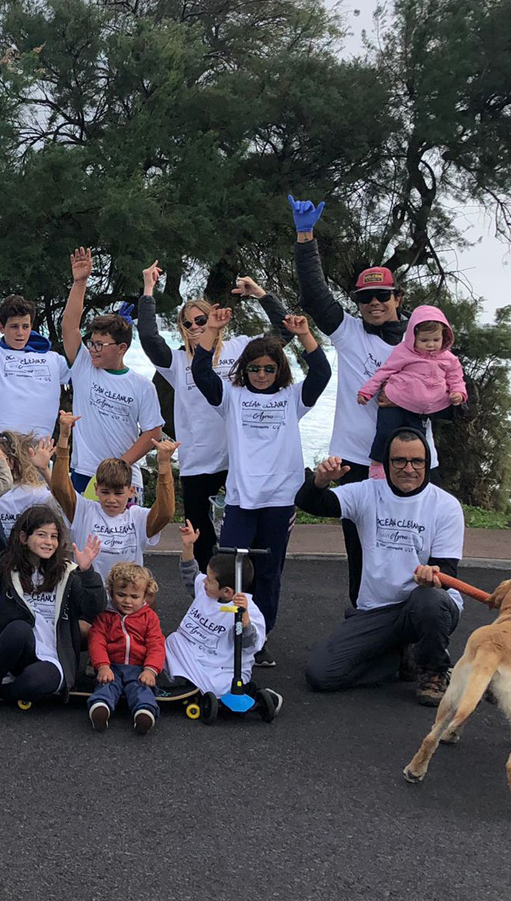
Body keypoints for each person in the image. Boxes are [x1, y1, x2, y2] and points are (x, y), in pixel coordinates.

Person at [290, 194, 440, 605]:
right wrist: (306, 237)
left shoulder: (424, 340)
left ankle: (411, 638)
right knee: (361, 551)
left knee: (414, 552)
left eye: (382, 296)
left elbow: (451, 397)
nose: (374, 303)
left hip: (411, 460)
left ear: (398, 298)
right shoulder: (349, 334)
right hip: (355, 462)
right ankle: (362, 624)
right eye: (365, 298)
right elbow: (315, 294)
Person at [192, 309, 331, 667]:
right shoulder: (232, 398)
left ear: (280, 370)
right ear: (245, 369)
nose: (262, 375)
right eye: (255, 368)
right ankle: (225, 630)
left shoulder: (292, 399)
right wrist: (213, 329)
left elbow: (322, 372)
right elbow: (201, 372)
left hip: (280, 500)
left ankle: (260, 636)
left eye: (269, 369)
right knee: (230, 569)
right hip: (240, 499)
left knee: (269, 573)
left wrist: (304, 334)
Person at [137, 260, 293, 569]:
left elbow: (284, 331)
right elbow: (148, 337)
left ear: (215, 319)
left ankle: (247, 592)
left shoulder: (240, 348)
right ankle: (206, 596)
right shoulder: (177, 362)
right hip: (199, 460)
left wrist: (260, 293)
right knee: (200, 537)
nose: (196, 327)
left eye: (201, 320)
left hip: (238, 457)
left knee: (247, 533)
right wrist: (148, 290)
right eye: (188, 323)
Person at [298, 429, 465, 706]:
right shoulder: (366, 492)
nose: (408, 469)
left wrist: (432, 576)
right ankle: (395, 657)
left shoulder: (445, 506)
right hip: (376, 610)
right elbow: (310, 503)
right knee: (321, 675)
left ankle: (434, 670)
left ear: (427, 463)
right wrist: (320, 481)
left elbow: (447, 574)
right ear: (386, 463)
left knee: (430, 599)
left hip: (423, 606)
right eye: (399, 460)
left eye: (417, 462)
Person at [0, 502, 104, 716]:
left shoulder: (69, 574)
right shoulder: (9, 568)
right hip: (21, 651)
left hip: (54, 656)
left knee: (36, 684)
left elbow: (95, 607)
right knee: (18, 628)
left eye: (53, 536)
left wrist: (87, 572)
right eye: (42, 535)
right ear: (24, 538)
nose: (49, 542)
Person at [61, 248, 164, 491]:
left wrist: (120, 465)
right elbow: (69, 326)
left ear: (121, 348)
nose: (94, 349)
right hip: (84, 472)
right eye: (92, 343)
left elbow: (154, 432)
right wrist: (80, 282)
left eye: (101, 344)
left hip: (124, 478)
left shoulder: (141, 385)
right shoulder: (84, 365)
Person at [0, 236, 70, 436]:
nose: (20, 333)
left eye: (25, 326)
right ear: (1, 327)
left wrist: (115, 330)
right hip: (0, 452)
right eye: (14, 326)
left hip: (38, 456)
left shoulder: (54, 360)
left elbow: (89, 370)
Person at [50, 412, 176, 585]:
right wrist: (64, 436)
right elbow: (60, 488)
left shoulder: (138, 517)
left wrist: (164, 465)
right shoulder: (84, 510)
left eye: (118, 494)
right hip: (89, 597)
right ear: (96, 489)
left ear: (131, 491)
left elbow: (165, 512)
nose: (111, 499)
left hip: (127, 599)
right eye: (105, 492)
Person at [164, 521, 269, 703]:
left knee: (221, 685)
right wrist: (188, 546)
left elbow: (251, 644)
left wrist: (243, 618)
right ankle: (195, 686)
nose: (204, 582)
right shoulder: (207, 591)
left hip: (221, 666)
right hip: (190, 652)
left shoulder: (249, 609)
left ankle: (199, 687)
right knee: (171, 641)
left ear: (227, 591)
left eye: (210, 580)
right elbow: (191, 575)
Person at [356, 307, 467, 473]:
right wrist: (367, 391)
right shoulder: (404, 352)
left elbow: (456, 378)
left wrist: (458, 393)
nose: (431, 345)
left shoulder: (448, 359)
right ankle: (377, 467)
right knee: (385, 433)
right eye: (424, 340)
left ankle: (413, 475)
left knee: (416, 443)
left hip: (421, 410)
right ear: (413, 338)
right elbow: (385, 371)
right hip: (396, 401)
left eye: (436, 340)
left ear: (444, 337)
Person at [86, 562, 166, 735]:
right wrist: (102, 666)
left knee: (142, 688)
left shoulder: (149, 618)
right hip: (111, 666)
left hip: (139, 668)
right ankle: (100, 709)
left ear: (145, 596)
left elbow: (156, 644)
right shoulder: (105, 616)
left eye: (134, 597)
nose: (127, 601)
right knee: (106, 685)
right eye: (121, 595)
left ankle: (143, 713)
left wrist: (151, 670)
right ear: (111, 592)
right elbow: (96, 641)